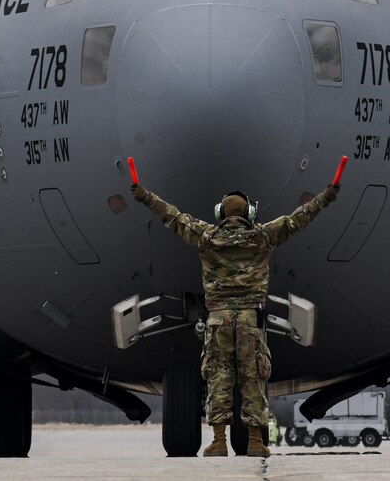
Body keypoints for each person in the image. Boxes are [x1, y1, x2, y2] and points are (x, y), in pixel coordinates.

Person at [130, 174, 340, 457]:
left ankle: (218, 442)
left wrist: (144, 195)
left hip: (217, 322)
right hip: (249, 322)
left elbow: (172, 216)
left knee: (219, 380)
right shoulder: (263, 236)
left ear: (221, 213)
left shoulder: (207, 237)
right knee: (252, 380)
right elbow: (299, 219)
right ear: (249, 213)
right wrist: (327, 195)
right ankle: (255, 441)